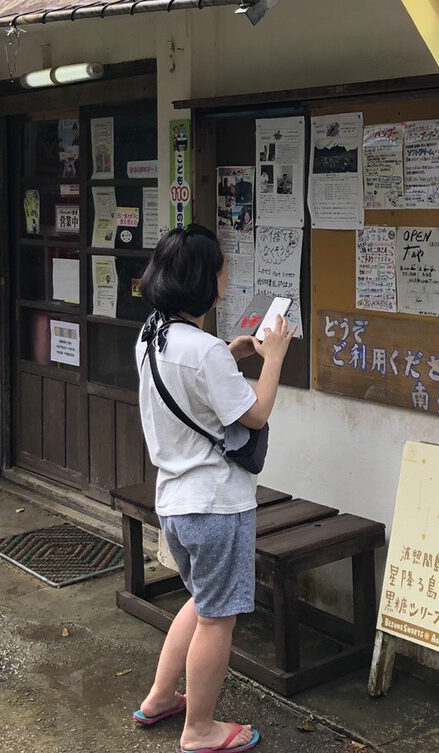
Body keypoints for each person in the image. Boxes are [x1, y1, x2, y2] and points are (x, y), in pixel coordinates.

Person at [131, 224, 292, 753]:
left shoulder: (152, 335)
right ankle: (200, 728)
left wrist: (234, 352)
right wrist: (272, 359)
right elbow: (257, 412)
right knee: (218, 618)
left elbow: (193, 377)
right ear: (205, 279)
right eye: (222, 266)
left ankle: (159, 696)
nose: (228, 274)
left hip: (175, 500)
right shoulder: (204, 352)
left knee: (201, 601)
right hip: (216, 506)